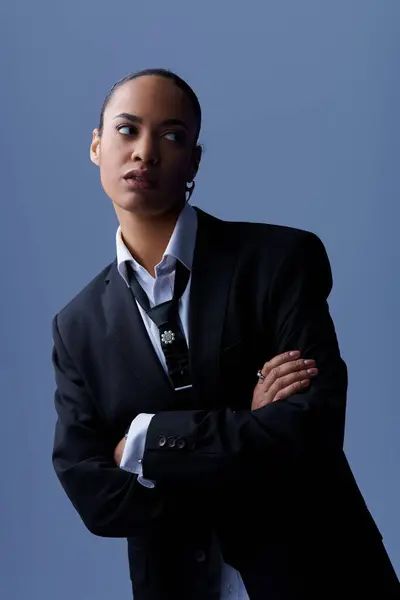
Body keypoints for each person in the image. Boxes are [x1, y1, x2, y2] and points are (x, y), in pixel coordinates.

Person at [51, 68, 400, 600]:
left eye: (172, 136)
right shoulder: (76, 327)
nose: (145, 151)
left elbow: (313, 430)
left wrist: (146, 441)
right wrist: (246, 430)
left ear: (193, 160)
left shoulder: (280, 261)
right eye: (127, 129)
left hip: (320, 574)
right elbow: (93, 494)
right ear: (97, 145)